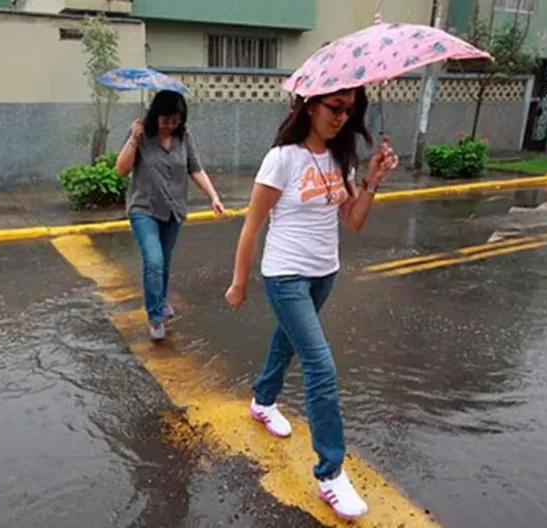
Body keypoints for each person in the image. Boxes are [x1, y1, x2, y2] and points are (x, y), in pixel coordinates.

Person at [224, 86, 398, 520]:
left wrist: (373, 181)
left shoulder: (342, 158)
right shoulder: (282, 158)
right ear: (310, 105)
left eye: (350, 111)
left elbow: (353, 221)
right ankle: (331, 474)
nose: (342, 118)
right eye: (335, 108)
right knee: (320, 365)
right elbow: (252, 226)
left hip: (325, 273)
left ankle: (263, 400)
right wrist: (239, 282)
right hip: (285, 275)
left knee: (287, 342)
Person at [116, 90, 224, 341]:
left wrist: (213, 196)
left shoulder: (184, 137)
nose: (170, 126)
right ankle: (155, 317)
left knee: (163, 262)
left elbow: (195, 169)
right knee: (153, 262)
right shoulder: (141, 134)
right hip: (144, 209)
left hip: (174, 210)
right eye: (165, 120)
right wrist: (134, 137)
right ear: (156, 116)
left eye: (175, 120)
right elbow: (121, 169)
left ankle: (161, 303)